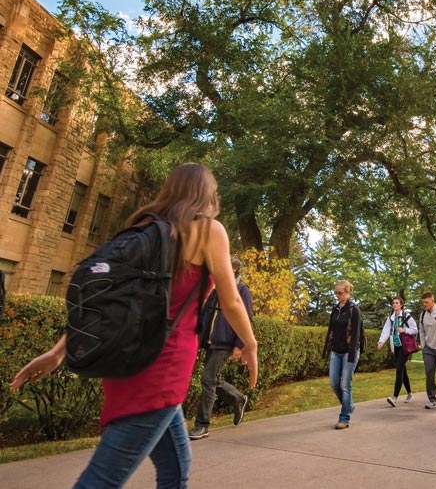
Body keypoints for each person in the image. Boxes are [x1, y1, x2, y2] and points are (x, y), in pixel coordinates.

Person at [10, 163, 259, 489]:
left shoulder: (144, 227)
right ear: (207, 195)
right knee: (101, 481)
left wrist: (59, 351)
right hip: (162, 370)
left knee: (176, 472)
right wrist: (251, 345)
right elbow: (232, 302)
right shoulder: (207, 230)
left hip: (130, 360)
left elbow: (108, 302)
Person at [189, 257, 253, 440]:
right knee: (212, 379)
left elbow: (246, 319)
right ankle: (238, 398)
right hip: (211, 342)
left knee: (207, 379)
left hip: (225, 343)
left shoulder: (242, 290)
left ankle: (202, 425)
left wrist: (239, 345)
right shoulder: (217, 289)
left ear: (234, 269)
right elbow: (205, 313)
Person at [323, 279, 363, 429]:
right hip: (336, 350)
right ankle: (349, 405)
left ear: (347, 292)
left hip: (349, 351)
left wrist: (352, 354)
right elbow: (331, 330)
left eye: (340, 293)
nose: (337, 295)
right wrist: (328, 347)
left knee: (345, 384)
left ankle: (344, 418)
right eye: (335, 293)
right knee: (334, 382)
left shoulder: (354, 309)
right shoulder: (335, 309)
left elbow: (356, 334)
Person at [376, 296, 416, 406]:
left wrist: (404, 330)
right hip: (396, 347)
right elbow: (385, 331)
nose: (394, 305)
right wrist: (381, 342)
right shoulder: (391, 318)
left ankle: (394, 397)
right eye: (393, 303)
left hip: (405, 347)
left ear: (401, 305)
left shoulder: (406, 316)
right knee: (402, 371)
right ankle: (409, 394)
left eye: (397, 303)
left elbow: (415, 329)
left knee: (399, 370)